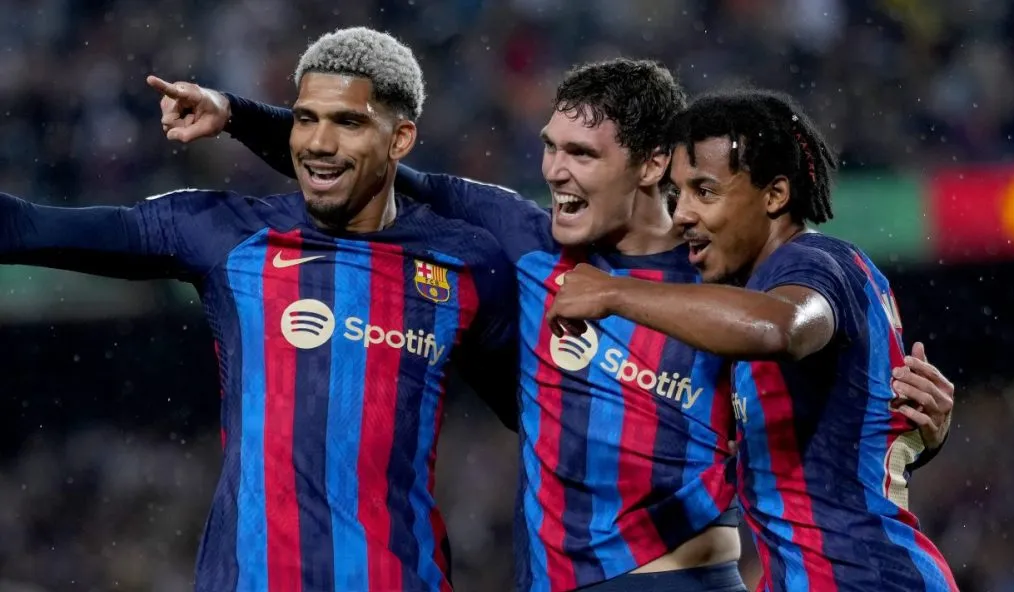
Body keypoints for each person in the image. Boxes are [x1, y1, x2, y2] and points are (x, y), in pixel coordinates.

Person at [150, 62, 954, 592]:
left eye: (580, 153)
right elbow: (378, 171)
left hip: (683, 576)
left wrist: (612, 294)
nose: (554, 171)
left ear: (650, 168)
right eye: (549, 148)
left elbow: (792, 336)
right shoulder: (523, 239)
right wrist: (234, 114)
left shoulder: (724, 276)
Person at [1, 27, 519, 592]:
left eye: (347, 122)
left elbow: (539, 415)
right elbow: (27, 227)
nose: (318, 143)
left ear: (399, 140)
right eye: (304, 118)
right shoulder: (224, 234)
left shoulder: (466, 265)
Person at [546, 88, 957, 591]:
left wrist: (612, 292)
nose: (682, 215)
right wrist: (923, 436)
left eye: (706, 191)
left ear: (774, 195)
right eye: (678, 194)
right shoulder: (777, 286)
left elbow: (782, 327)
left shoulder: (806, 263)